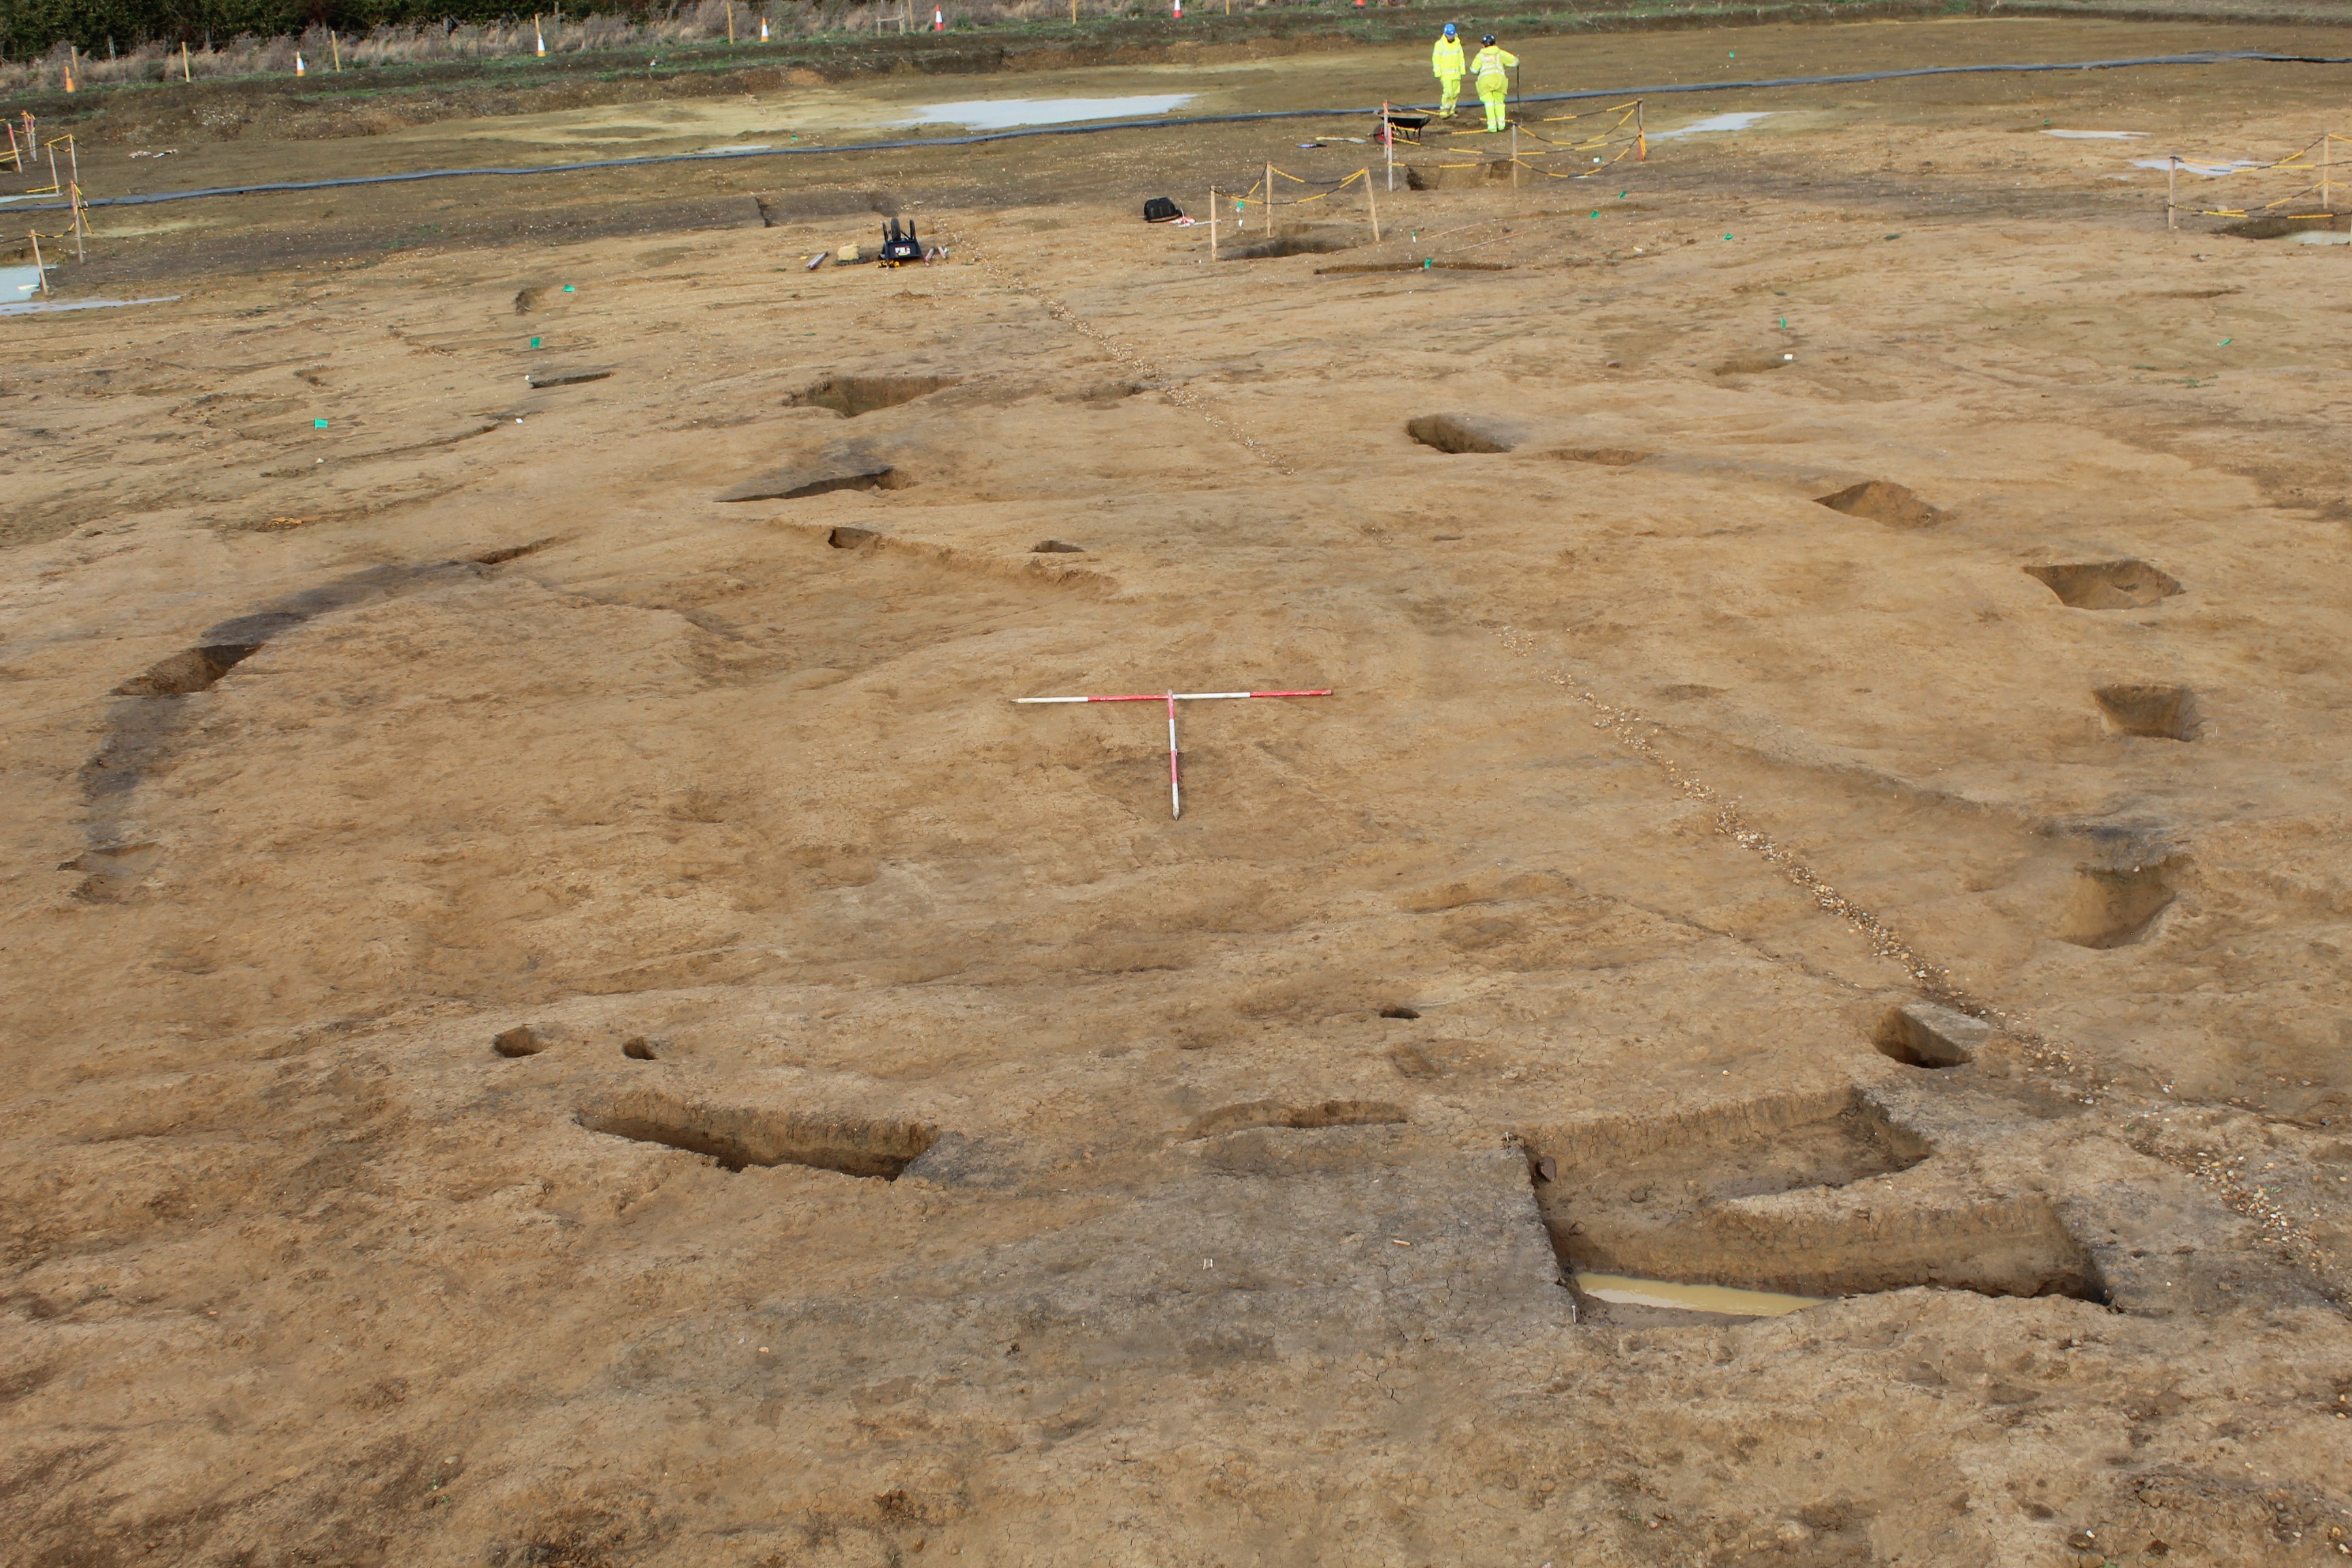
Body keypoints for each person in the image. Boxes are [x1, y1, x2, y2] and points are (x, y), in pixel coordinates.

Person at [1470, 33, 1517, 134]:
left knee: (1489, 104)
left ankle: (1492, 127)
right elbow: (1515, 61)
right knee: (1499, 103)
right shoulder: (1500, 53)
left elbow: (1474, 70)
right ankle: (1501, 125)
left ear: (1484, 45)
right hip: (1500, 82)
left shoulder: (1480, 56)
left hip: (1486, 83)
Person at [1431, 23, 1465, 120]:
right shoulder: (1440, 45)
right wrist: (1437, 72)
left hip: (1456, 74)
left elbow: (1461, 57)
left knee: (1455, 93)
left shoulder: (1457, 44)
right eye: (1449, 35)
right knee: (1448, 93)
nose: (1451, 37)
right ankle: (1444, 111)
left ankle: (1452, 111)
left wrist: (1462, 71)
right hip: (1446, 75)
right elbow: (1436, 59)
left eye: (1452, 35)